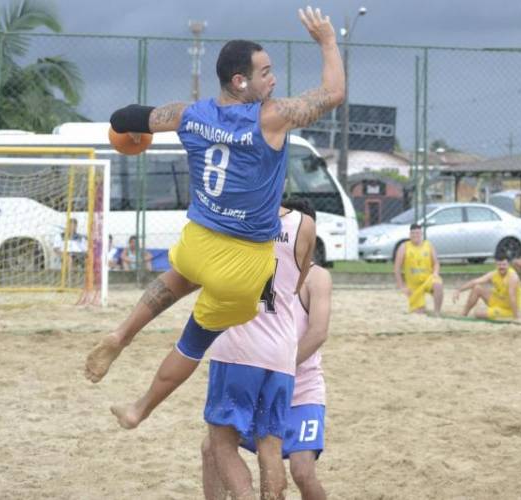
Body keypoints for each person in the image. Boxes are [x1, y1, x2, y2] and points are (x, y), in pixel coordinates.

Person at [83, 5, 342, 417]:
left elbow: (124, 117)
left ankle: (122, 334)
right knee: (193, 342)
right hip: (242, 264)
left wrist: (131, 133)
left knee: (177, 280)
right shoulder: (270, 119)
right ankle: (139, 409)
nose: (272, 79)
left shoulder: (190, 114)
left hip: (197, 242)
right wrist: (327, 41)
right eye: (265, 73)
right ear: (241, 81)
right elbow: (333, 94)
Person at [111, 200, 316, 500]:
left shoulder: (225, 219)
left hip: (237, 347)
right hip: (282, 351)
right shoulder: (304, 225)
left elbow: (191, 275)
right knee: (270, 448)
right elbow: (297, 285)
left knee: (221, 444)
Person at [201, 261, 331, 500]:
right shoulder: (259, 265)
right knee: (211, 449)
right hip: (259, 384)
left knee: (302, 472)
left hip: (301, 389)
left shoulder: (317, 276)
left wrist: (281, 367)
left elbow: (318, 332)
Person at [453, 251, 521, 320]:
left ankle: (508, 314)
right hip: (498, 300)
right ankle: (463, 314)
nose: (501, 267)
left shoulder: (512, 277)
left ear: (508, 265)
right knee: (477, 288)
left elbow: (512, 297)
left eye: (504, 264)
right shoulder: (494, 273)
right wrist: (459, 290)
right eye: (499, 264)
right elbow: (475, 281)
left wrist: (516, 316)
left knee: (478, 313)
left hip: (508, 308)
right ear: (496, 264)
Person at [393, 223, 443, 315]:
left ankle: (437, 312)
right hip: (414, 285)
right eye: (413, 233)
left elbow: (436, 263)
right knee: (419, 312)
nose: (415, 235)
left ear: (421, 234)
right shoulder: (404, 247)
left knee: (438, 284)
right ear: (410, 235)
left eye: (418, 233)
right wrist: (401, 286)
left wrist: (435, 273)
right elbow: (397, 268)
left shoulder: (428, 245)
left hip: (427, 279)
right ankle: (420, 306)